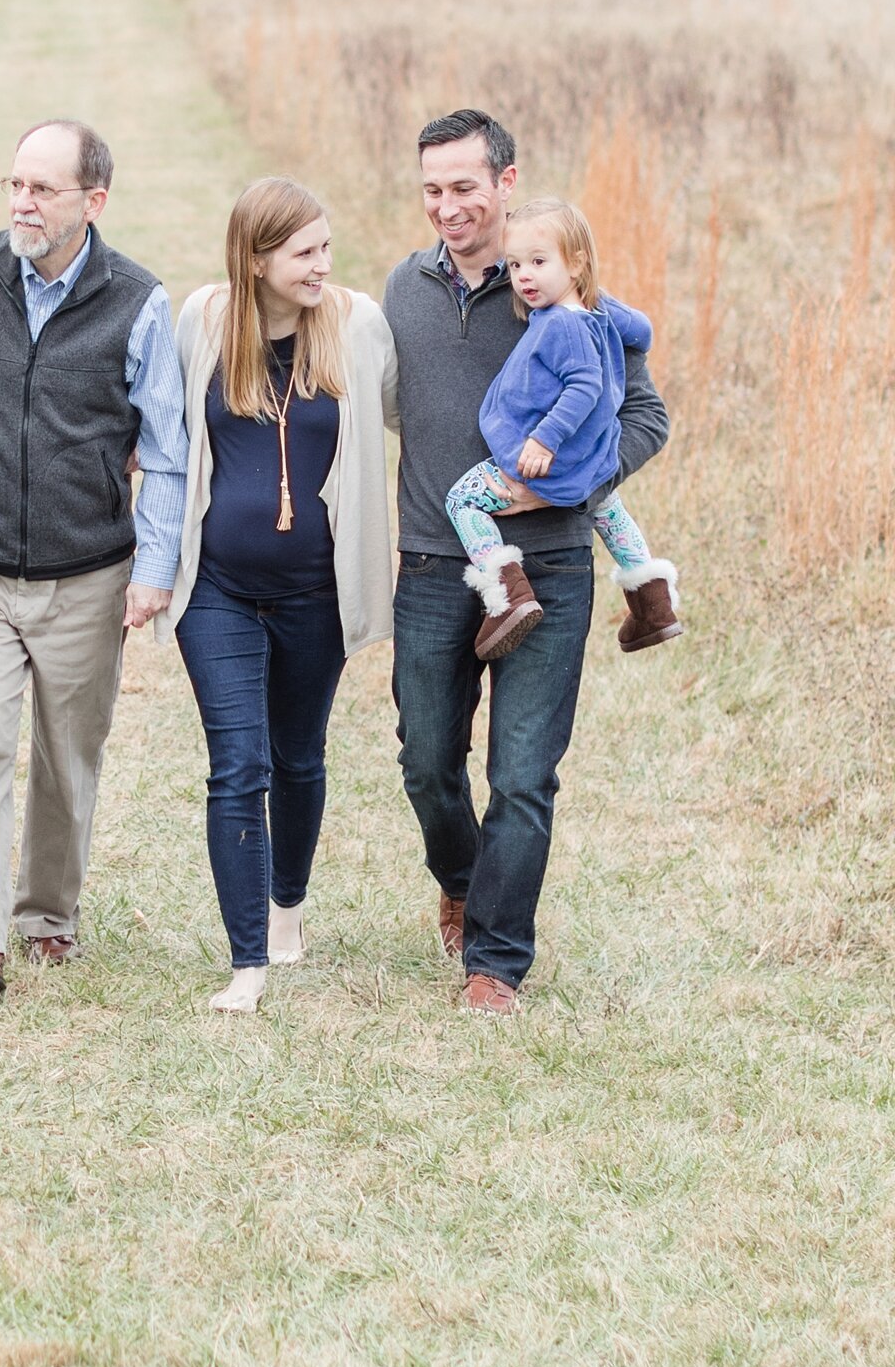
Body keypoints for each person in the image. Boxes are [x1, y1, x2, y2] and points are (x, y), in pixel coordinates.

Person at [384, 108, 668, 1017]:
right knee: (426, 759)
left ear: (505, 183)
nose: (448, 207)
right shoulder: (403, 290)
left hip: (547, 566)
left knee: (522, 774)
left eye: (465, 187)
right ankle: (464, 880)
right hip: (436, 560)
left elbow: (645, 419)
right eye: (432, 189)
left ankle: (495, 962)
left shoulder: (559, 289)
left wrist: (560, 491)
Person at [0, 118, 188, 1000]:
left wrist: (153, 568)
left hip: (89, 569)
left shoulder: (139, 302)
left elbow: (168, 450)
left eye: (42, 190)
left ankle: (48, 916)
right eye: (14, 185)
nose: (22, 203)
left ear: (92, 202)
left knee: (69, 754)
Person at [165, 178, 397, 1014]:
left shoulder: (357, 325)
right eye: (305, 253)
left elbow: (412, 414)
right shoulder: (202, 322)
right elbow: (162, 440)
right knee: (239, 765)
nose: (322, 267)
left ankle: (288, 905)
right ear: (255, 259)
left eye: (327, 249)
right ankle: (247, 964)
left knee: (298, 760)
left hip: (316, 594)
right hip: (217, 590)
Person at [446, 195, 683, 660]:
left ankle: (506, 595)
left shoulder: (561, 327)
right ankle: (653, 601)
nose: (524, 276)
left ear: (576, 264)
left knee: (463, 500)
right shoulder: (597, 316)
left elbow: (583, 386)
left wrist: (541, 440)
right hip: (591, 457)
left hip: (546, 461)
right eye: (515, 265)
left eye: (538, 261)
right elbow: (642, 330)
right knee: (608, 510)